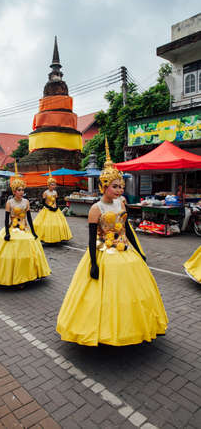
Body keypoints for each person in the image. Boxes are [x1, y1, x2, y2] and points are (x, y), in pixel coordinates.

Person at [56, 138, 168, 346]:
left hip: (125, 250)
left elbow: (128, 230)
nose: (119, 190)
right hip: (103, 252)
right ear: (104, 186)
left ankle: (133, 328)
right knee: (103, 298)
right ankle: (102, 332)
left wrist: (139, 251)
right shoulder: (95, 209)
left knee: (131, 294)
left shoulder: (122, 202)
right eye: (115, 186)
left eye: (121, 186)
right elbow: (90, 241)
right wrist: (93, 264)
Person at [0, 162, 51, 287]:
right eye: (19, 190)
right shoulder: (9, 203)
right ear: (14, 191)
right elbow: (6, 220)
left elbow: (29, 218)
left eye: (23, 189)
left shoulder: (26, 202)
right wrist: (7, 233)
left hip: (24, 229)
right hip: (13, 228)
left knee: (28, 251)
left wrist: (34, 232)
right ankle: (11, 276)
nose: (21, 192)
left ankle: (28, 275)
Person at [33, 169, 72, 243]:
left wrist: (57, 207)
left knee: (58, 224)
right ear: (48, 185)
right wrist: (49, 207)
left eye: (54, 184)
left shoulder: (55, 192)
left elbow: (56, 201)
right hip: (47, 209)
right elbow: (43, 203)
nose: (54, 186)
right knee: (46, 224)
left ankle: (58, 237)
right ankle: (46, 237)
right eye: (52, 184)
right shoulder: (45, 193)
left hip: (55, 209)